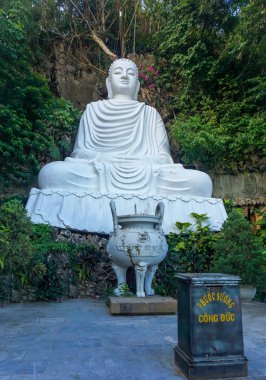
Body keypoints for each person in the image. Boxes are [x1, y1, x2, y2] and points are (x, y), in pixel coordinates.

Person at [38, 58, 212, 197]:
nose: (124, 76)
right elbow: (80, 153)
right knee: (51, 174)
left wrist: (142, 162)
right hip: (100, 170)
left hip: (146, 172)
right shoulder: (92, 110)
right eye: (118, 72)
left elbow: (164, 157)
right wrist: (106, 158)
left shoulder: (150, 114)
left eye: (130, 73)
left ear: (137, 85)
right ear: (108, 82)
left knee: (201, 182)